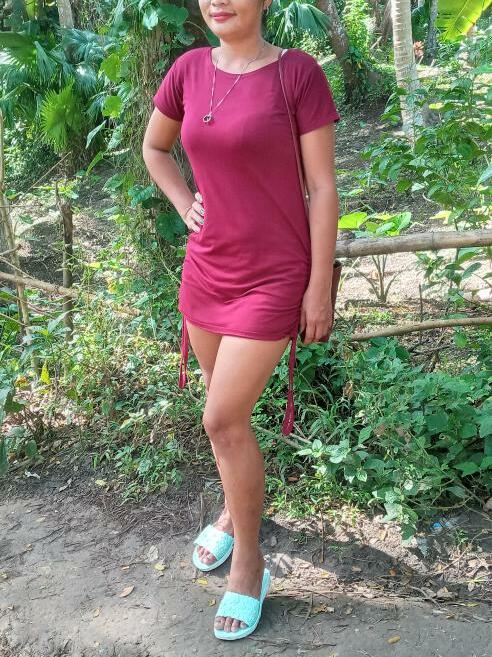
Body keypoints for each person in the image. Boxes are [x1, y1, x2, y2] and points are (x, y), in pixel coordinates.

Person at [142, 0, 340, 641]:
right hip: (207, 270)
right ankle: (234, 512)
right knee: (223, 411)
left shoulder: (297, 73)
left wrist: (318, 286)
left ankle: (250, 565)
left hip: (274, 274)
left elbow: (323, 187)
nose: (217, 1)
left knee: (221, 419)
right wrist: (184, 204)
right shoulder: (188, 70)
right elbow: (155, 147)